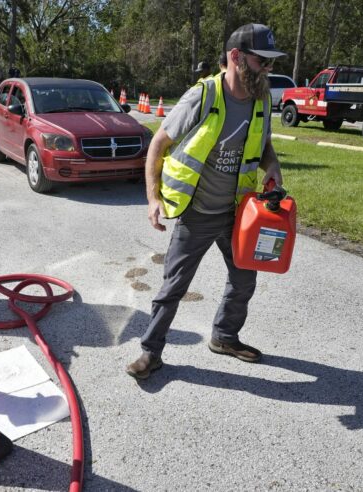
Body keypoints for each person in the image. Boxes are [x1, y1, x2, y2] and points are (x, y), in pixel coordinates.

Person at [126, 23, 285, 379]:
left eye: (270, 62)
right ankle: (150, 353)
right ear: (236, 57)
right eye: (262, 61)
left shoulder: (262, 98)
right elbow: (157, 145)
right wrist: (153, 199)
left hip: (238, 213)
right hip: (196, 213)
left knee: (244, 282)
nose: (268, 69)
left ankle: (225, 337)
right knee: (173, 287)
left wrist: (273, 168)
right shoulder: (204, 96)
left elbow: (265, 147)